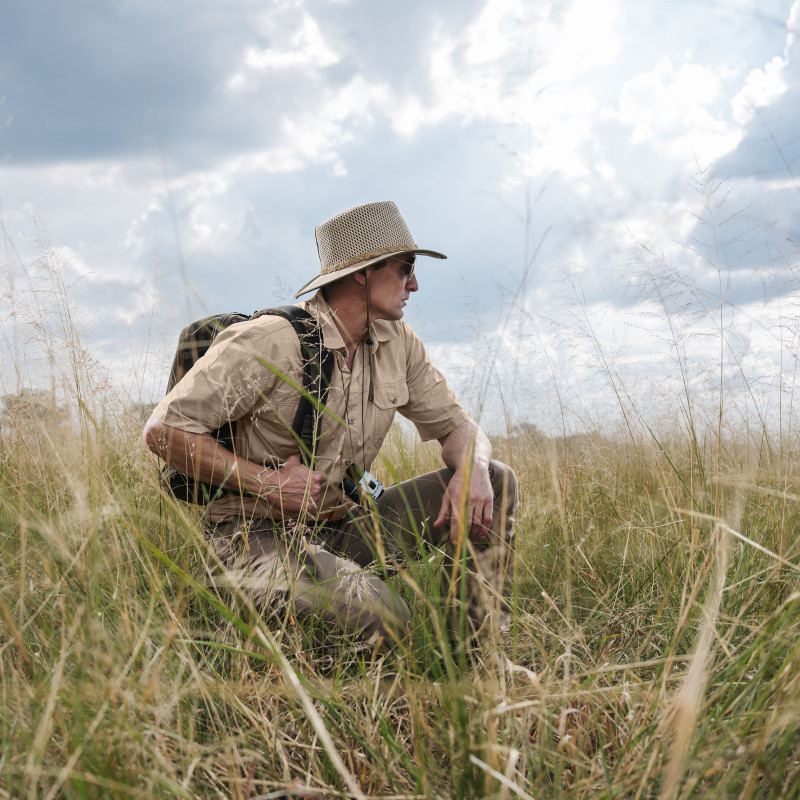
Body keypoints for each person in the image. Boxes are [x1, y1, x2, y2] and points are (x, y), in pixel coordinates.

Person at [143, 201, 517, 656]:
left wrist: (472, 467)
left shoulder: (397, 342)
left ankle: (473, 660)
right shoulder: (269, 341)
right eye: (405, 268)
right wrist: (266, 484)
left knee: (497, 479)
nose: (414, 284)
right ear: (361, 273)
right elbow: (163, 430)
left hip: (341, 525)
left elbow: (457, 426)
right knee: (386, 615)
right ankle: (268, 622)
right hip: (250, 537)